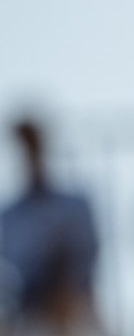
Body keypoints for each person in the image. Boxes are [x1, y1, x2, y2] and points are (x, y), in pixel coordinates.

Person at [0, 117, 99, 321]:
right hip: (30, 318)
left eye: (34, 146)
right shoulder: (10, 217)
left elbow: (85, 259)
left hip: (77, 313)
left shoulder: (75, 207)